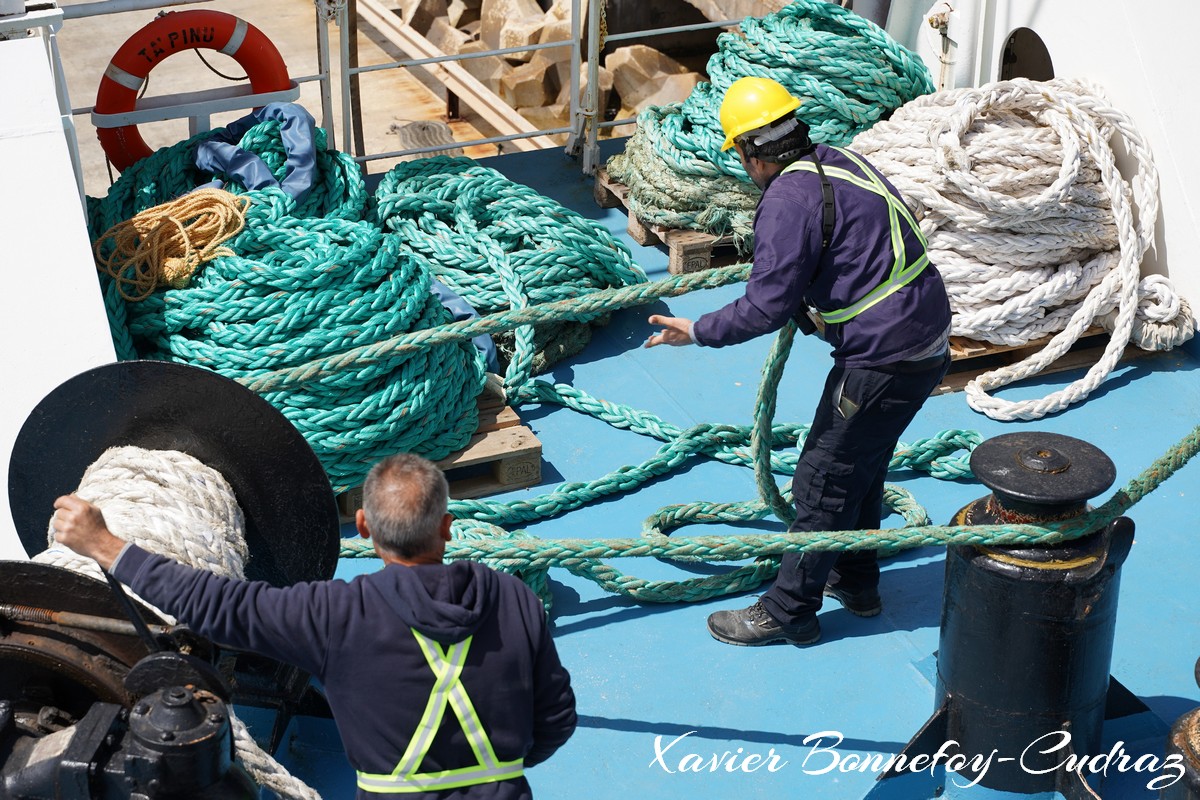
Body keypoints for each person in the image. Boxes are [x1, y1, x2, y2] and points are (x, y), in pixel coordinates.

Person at [52, 453, 577, 798]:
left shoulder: (335, 615)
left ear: (364, 525)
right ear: (447, 526)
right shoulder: (513, 598)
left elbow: (214, 605)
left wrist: (104, 545)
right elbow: (556, 720)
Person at [644, 76, 952, 647]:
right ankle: (856, 580)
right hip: (925, 342)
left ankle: (788, 611)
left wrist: (698, 330)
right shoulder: (838, 161)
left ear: (749, 152)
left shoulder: (787, 202)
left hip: (884, 358)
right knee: (861, 468)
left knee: (823, 479)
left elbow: (765, 307)